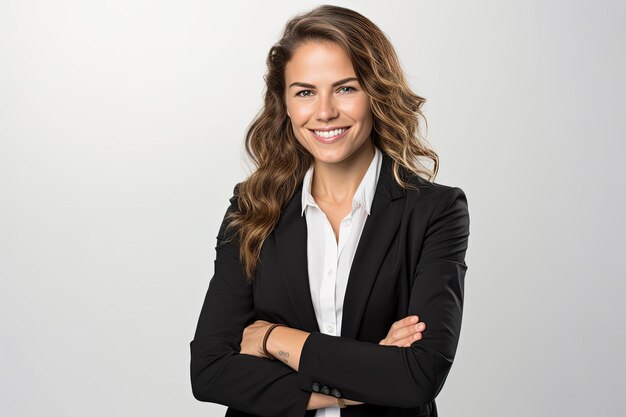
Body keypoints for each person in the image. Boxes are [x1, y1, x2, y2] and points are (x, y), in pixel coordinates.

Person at [190, 4, 470, 417]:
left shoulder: (435, 211)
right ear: (284, 104)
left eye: (345, 88)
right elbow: (210, 371)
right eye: (305, 92)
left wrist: (271, 338)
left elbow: (418, 375)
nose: (324, 112)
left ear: (376, 93)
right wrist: (366, 375)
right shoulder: (252, 208)